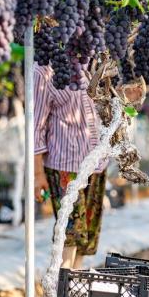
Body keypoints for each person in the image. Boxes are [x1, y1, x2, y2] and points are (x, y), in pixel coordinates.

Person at [33, 64, 107, 269]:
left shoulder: (95, 61)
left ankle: (73, 291)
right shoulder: (44, 71)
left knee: (85, 240)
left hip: (97, 163)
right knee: (70, 236)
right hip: (65, 166)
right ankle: (60, 290)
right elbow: (35, 127)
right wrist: (37, 174)